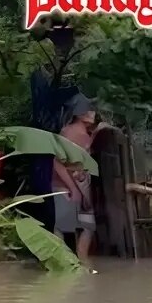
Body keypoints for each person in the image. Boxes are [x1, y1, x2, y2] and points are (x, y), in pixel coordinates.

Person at [56, 95, 98, 263]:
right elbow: (57, 163)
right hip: (66, 187)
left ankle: (80, 263)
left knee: (86, 225)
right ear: (80, 114)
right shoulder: (69, 133)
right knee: (64, 227)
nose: (93, 113)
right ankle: (65, 262)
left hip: (78, 185)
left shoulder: (82, 134)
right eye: (90, 110)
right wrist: (72, 188)